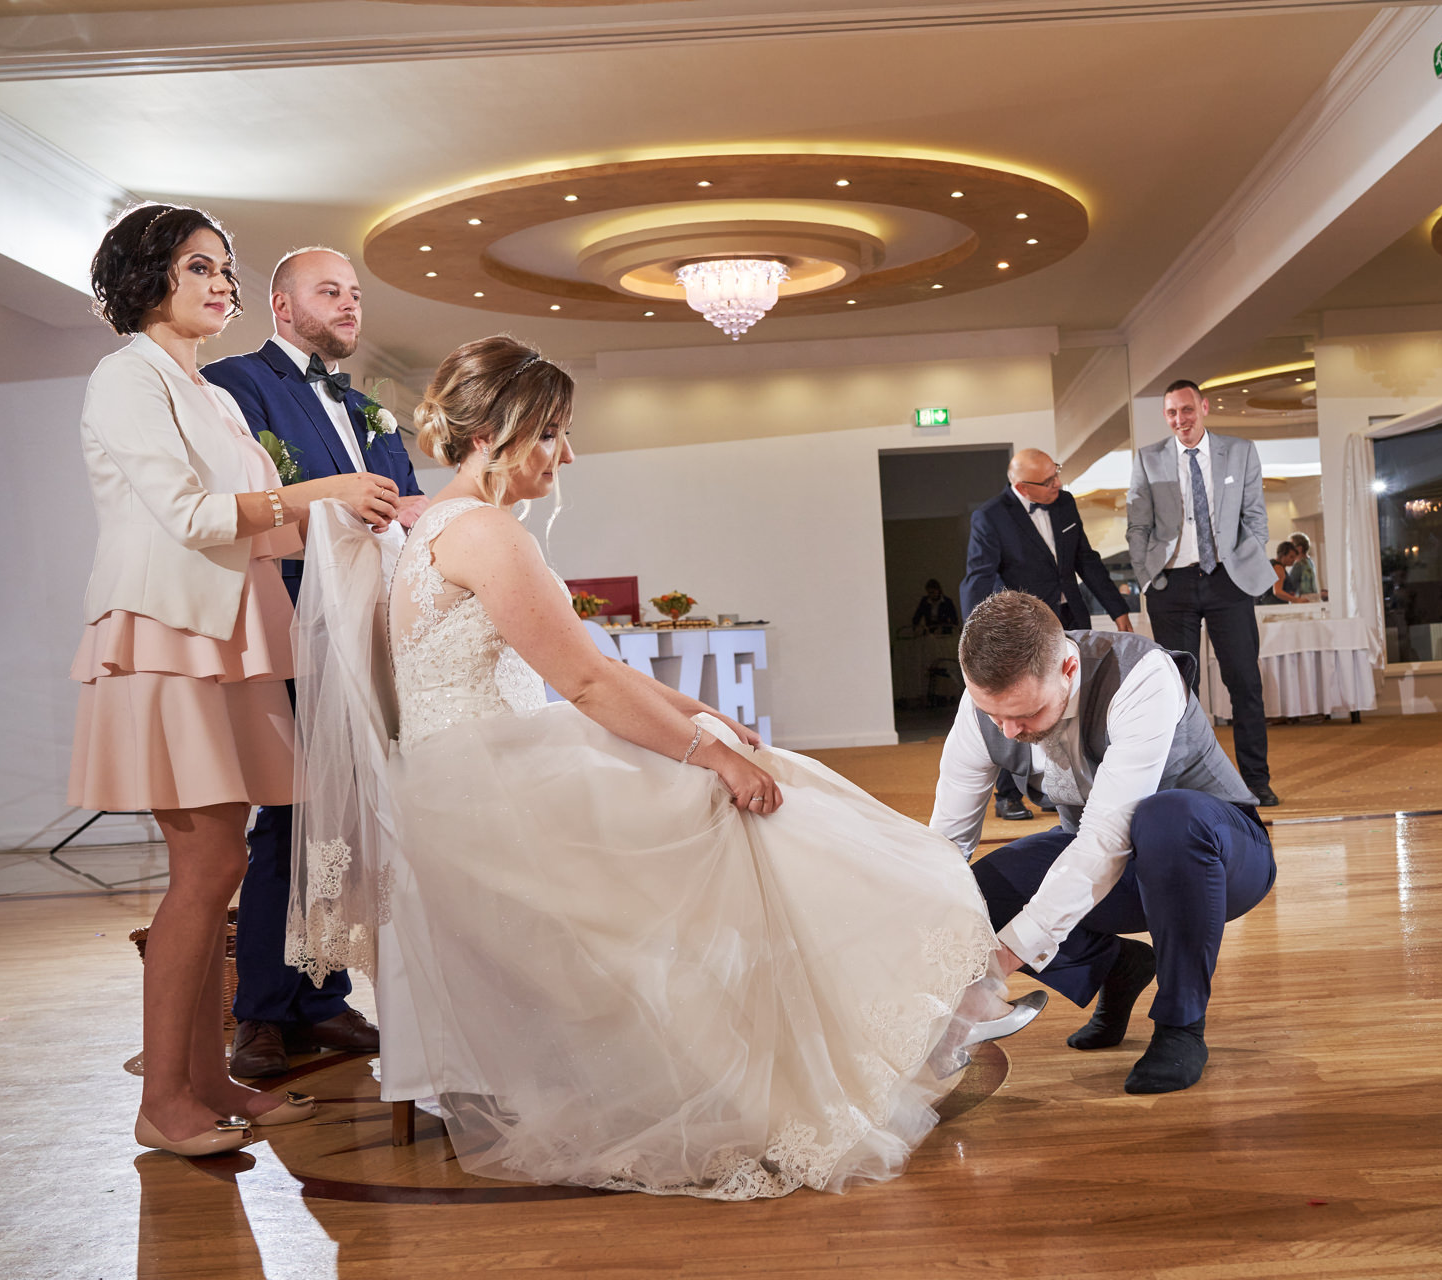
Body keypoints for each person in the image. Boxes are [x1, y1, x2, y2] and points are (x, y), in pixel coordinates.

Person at [289, 335, 1039, 1198]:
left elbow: (592, 668)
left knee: (753, 773)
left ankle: (920, 1009)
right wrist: (708, 751)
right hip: (489, 793)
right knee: (745, 805)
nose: (567, 455)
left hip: (471, 776)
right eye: (550, 433)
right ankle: (908, 1012)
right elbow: (583, 682)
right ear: (492, 433)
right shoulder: (485, 533)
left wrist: (702, 719)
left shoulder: (447, 526)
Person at [67, 204, 398, 1157]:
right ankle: (163, 1102)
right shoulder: (126, 376)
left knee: (220, 867)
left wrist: (377, 520)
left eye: (225, 269)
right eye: (198, 267)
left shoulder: (202, 389)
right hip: (168, 632)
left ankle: (210, 1080)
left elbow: (264, 528)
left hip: (230, 631)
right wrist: (323, 492)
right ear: (146, 278)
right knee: (206, 866)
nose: (221, 284)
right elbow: (188, 514)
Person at [201, 247, 427, 1078]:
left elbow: (404, 504)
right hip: (287, 623)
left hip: (368, 630)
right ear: (282, 306)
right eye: (329, 291)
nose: (349, 304)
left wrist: (411, 509)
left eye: (355, 293)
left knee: (354, 816)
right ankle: (263, 1011)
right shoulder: (234, 384)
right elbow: (235, 501)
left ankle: (323, 998)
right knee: (291, 813)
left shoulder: (369, 410)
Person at [929, 591, 1274, 1095]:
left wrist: (997, 965)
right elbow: (945, 845)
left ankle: (1181, 1026)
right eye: (994, 714)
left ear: (1068, 669)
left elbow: (1106, 838)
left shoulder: (1141, 675)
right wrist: (936, 955)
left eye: (1026, 713)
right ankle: (1116, 966)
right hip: (1111, 864)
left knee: (1167, 818)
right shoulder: (985, 709)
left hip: (1218, 858)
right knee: (977, 892)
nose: (1009, 730)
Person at [1126, 381, 1280, 807]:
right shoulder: (1148, 458)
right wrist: (1148, 577)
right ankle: (1186, 785)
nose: (1181, 420)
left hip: (1228, 580)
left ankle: (1256, 781)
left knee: (1245, 682)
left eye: (1187, 409)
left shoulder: (1241, 451)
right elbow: (1137, 525)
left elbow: (1255, 516)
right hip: (1171, 584)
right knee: (1177, 690)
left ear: (1204, 407)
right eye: (1172, 413)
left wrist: (1245, 561)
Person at [962, 447, 1133, 820]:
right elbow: (978, 578)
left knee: (1073, 699)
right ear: (1023, 487)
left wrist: (1118, 611)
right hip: (1027, 628)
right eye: (1049, 480)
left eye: (1056, 473)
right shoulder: (990, 517)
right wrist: (974, 642)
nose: (1058, 483)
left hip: (1072, 617)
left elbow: (1086, 559)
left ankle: (1073, 785)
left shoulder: (1064, 503)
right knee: (1019, 706)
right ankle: (1008, 794)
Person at [1285, 532, 1319, 597]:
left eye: (1291, 547)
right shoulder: (1309, 562)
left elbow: (1289, 586)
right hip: (1313, 598)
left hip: (1302, 600)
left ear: (1299, 549)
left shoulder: (1299, 565)